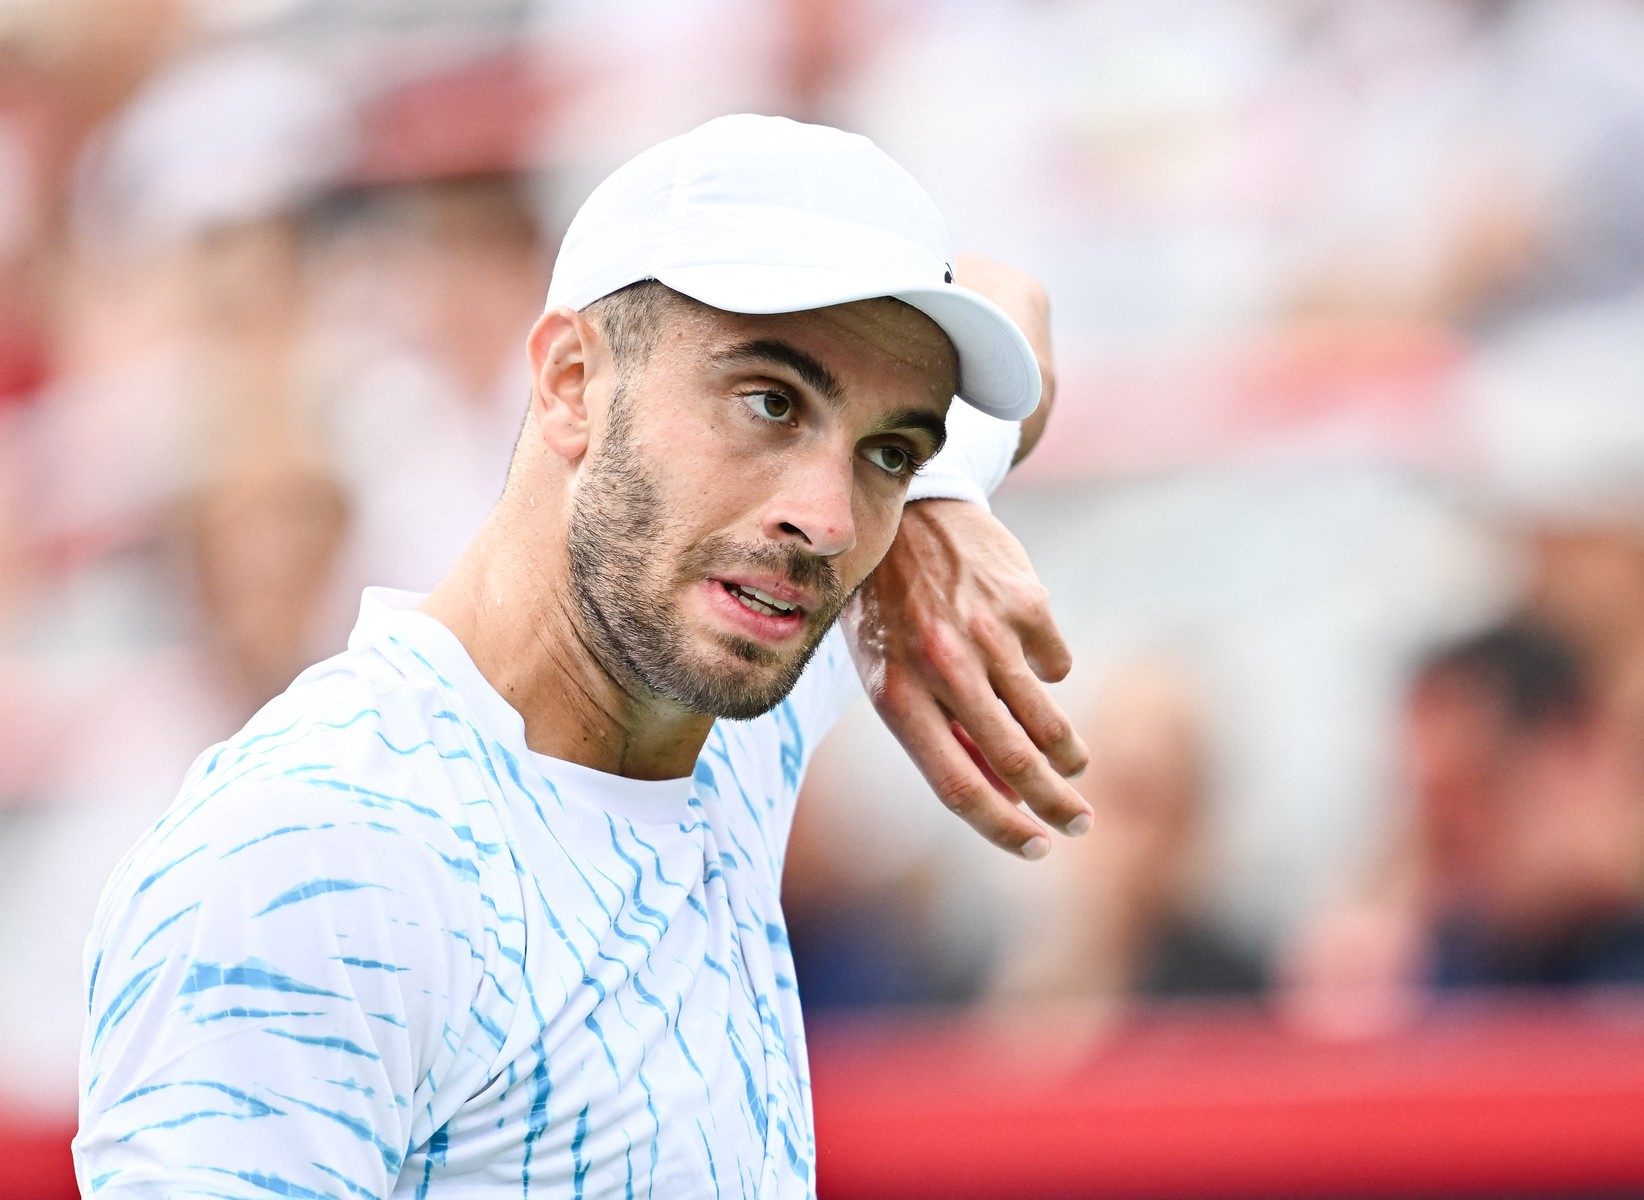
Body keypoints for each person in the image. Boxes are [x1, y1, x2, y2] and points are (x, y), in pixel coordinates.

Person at [75, 114, 1091, 1196]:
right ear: (570, 382)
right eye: (768, 401)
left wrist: (935, 497)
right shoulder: (310, 854)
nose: (830, 519)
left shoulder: (718, 696)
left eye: (886, 449)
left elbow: (1013, 305)